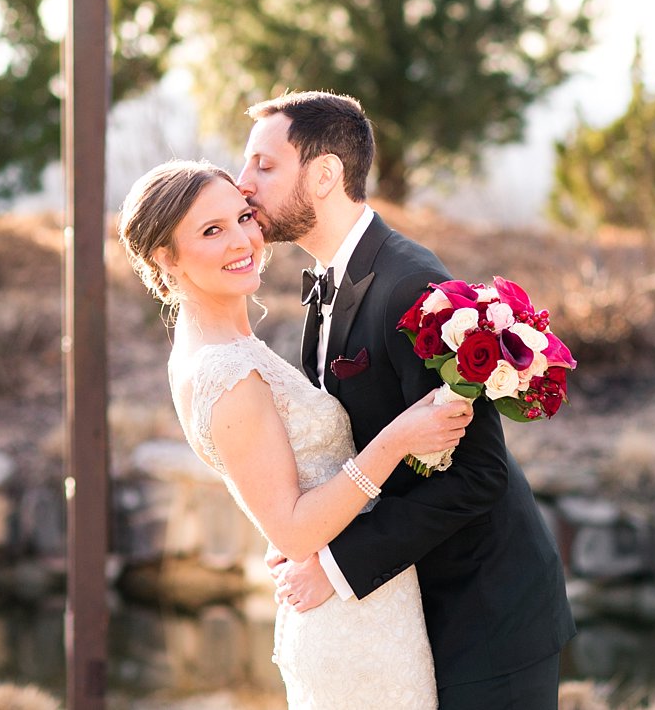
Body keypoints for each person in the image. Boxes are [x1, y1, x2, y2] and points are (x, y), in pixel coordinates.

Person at [236, 91, 575, 710]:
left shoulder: (410, 285)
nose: (243, 184)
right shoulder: (330, 280)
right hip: (414, 606)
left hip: (485, 614)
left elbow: (478, 475)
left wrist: (335, 565)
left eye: (264, 164)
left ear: (324, 175)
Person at [117, 160, 473, 708]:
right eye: (211, 231)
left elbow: (282, 492)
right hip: (349, 630)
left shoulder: (231, 346)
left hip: (365, 602)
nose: (243, 240)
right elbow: (294, 532)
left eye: (242, 217)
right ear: (166, 257)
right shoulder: (225, 372)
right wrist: (398, 439)